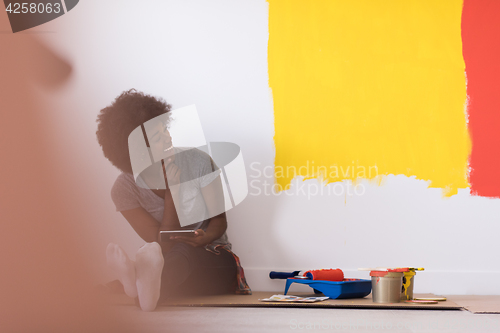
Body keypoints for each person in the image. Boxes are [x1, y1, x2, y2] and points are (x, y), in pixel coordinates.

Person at [96, 89, 250, 311]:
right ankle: (143, 290)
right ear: (140, 150)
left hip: (213, 260)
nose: (169, 137)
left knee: (180, 255)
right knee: (166, 257)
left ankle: (134, 284)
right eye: (159, 137)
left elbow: (219, 222)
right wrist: (172, 191)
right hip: (170, 262)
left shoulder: (198, 162)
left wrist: (204, 237)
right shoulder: (124, 189)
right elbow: (162, 244)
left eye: (165, 128)